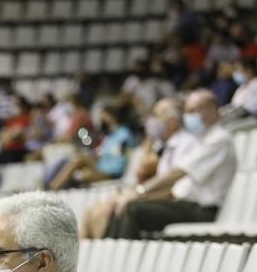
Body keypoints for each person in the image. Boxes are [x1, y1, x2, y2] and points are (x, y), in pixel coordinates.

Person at [106, 89, 236, 239]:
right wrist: (137, 195)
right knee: (123, 207)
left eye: (193, 110)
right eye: (187, 111)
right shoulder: (203, 139)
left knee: (132, 210)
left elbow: (178, 172)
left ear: (212, 111)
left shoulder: (219, 139)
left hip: (203, 210)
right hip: (185, 204)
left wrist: (139, 192)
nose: (187, 116)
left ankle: (123, 258)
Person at [80, 98, 199, 239]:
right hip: (162, 197)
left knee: (125, 209)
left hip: (181, 202)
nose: (152, 121)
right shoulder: (166, 144)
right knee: (95, 210)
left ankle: (114, 252)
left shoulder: (187, 143)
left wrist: (136, 195)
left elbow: (168, 183)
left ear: (173, 121)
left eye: (156, 115)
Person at [49, 100, 138, 190]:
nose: (101, 118)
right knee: (82, 164)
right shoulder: (110, 134)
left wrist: (100, 155)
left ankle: (53, 188)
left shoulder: (124, 134)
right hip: (103, 166)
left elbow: (119, 156)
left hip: (111, 171)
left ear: (111, 116)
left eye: (103, 115)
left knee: (83, 165)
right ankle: (55, 187)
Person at [0, 96, 33, 164]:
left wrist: (10, 134)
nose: (14, 107)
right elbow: (1, 136)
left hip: (20, 150)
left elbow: (21, 134)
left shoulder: (28, 117)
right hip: (7, 150)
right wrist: (12, 133)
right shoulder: (11, 120)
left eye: (17, 104)